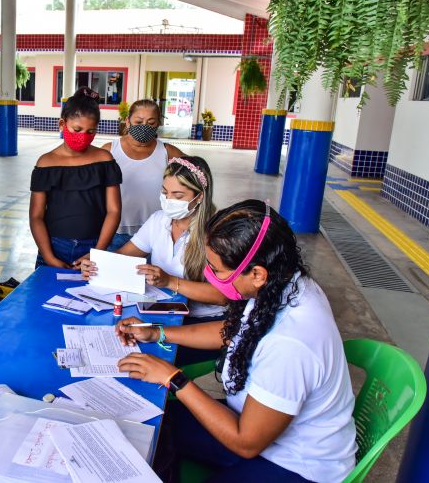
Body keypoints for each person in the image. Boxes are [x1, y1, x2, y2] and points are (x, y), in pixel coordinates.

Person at [116, 200, 357, 482]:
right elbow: (236, 331)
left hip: (295, 462)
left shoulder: (291, 344)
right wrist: (157, 332)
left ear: (256, 274)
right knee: (157, 423)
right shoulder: (284, 284)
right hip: (256, 427)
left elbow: (247, 443)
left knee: (164, 428)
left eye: (216, 271)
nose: (209, 276)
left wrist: (174, 379)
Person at [80, 156, 227, 324]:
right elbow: (123, 255)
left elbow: (222, 296)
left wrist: (170, 281)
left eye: (178, 196)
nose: (169, 200)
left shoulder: (218, 232)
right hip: (161, 310)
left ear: (199, 197)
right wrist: (98, 266)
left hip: (201, 320)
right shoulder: (159, 220)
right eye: (165, 192)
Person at [30, 87, 122, 268]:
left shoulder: (104, 160)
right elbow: (36, 216)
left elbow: (114, 211)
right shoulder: (46, 163)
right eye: (77, 129)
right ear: (62, 124)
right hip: (53, 246)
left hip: (95, 246)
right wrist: (49, 257)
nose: (83, 136)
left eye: (90, 132)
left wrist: (99, 251)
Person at [101, 100, 185, 251]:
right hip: (115, 231)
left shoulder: (168, 152)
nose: (144, 126)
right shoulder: (109, 151)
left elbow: (196, 179)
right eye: (138, 121)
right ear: (128, 122)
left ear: (158, 124)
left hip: (157, 232)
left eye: (150, 122)